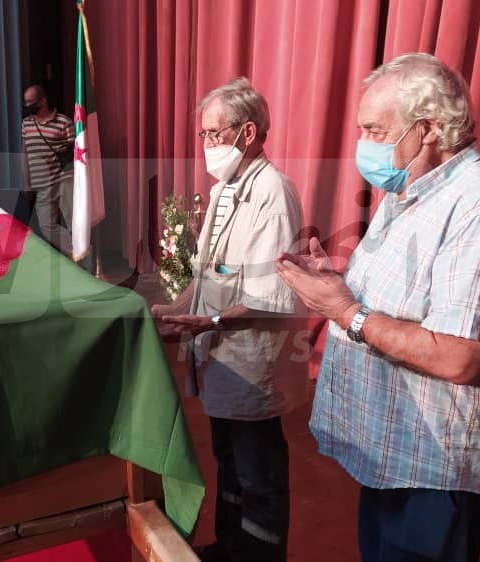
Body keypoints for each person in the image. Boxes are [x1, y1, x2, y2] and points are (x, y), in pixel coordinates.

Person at [276, 53, 480, 562]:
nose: (363, 145)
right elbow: (395, 303)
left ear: (428, 129)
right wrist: (336, 285)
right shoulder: (409, 191)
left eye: (375, 130)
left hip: (435, 470)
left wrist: (346, 312)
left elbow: (461, 356)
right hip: (394, 452)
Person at [152, 77, 306, 562]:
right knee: (228, 462)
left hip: (251, 363)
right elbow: (209, 272)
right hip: (220, 355)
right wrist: (177, 309)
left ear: (248, 133)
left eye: (214, 133)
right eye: (203, 134)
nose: (206, 144)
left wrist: (210, 321)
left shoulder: (273, 193)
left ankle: (259, 557)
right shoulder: (224, 189)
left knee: (258, 473)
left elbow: (270, 295)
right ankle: (229, 548)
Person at [20, 84, 74, 255]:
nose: (27, 106)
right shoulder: (26, 124)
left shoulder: (64, 122)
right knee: (46, 226)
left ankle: (83, 260)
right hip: (42, 185)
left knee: (74, 223)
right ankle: (78, 251)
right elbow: (24, 154)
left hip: (65, 181)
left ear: (43, 101)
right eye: (25, 102)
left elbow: (76, 153)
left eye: (31, 102)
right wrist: (26, 182)